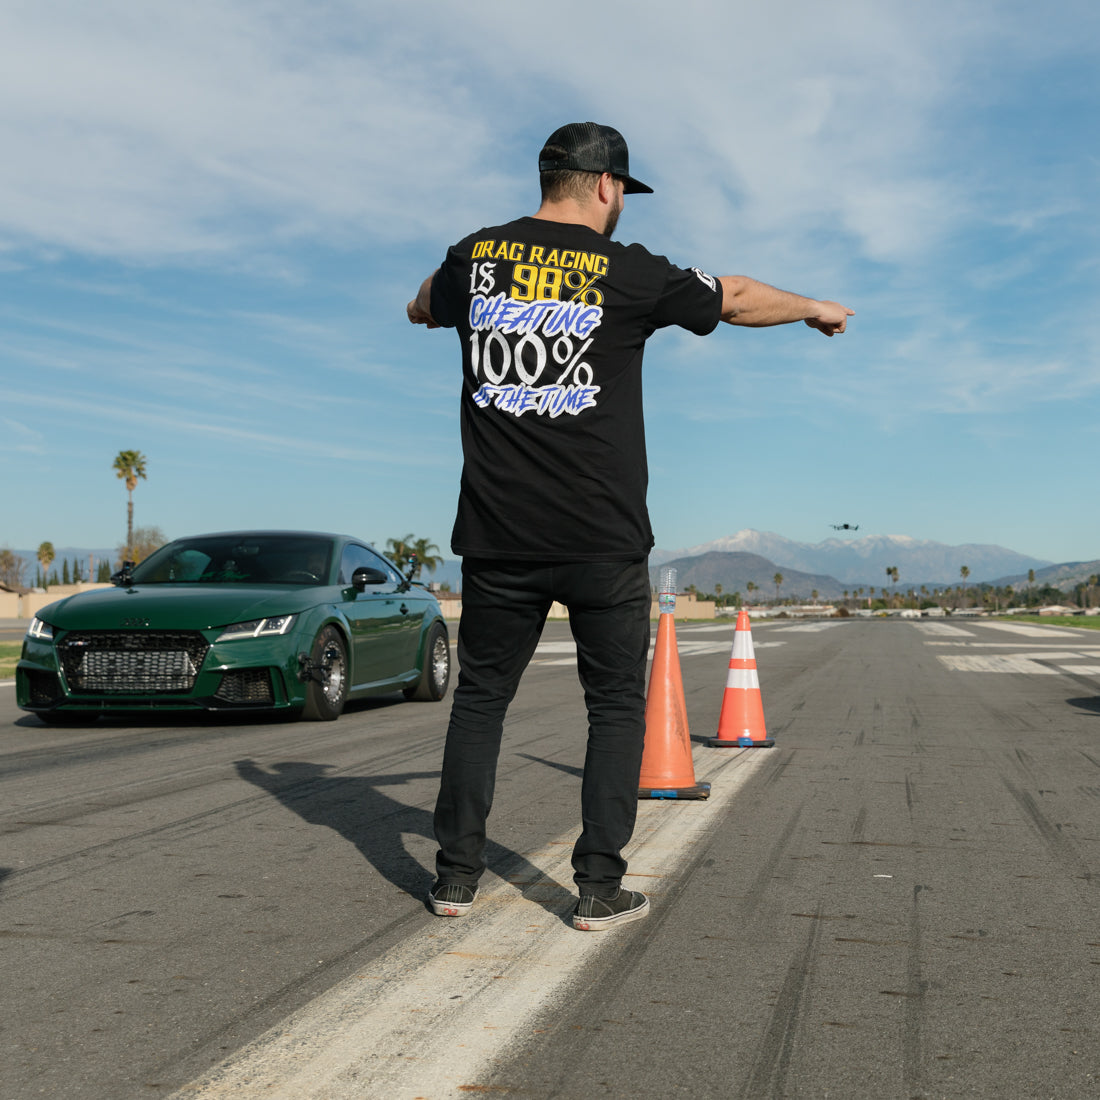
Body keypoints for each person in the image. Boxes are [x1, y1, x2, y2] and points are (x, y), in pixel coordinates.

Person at [407, 122, 852, 931]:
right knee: (613, 707)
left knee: (481, 704)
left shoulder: (474, 256)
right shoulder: (628, 269)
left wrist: (450, 309)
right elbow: (739, 296)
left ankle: (455, 880)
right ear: (608, 187)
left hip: (497, 538)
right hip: (602, 538)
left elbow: (420, 305)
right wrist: (813, 309)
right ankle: (596, 887)